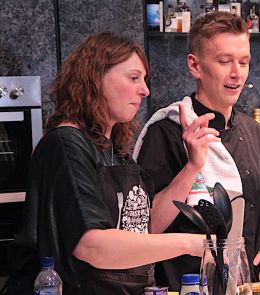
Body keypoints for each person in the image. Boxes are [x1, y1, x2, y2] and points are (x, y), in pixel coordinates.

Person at [4, 32, 205, 295]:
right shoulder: (66, 145)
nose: (145, 90)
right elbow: (91, 245)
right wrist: (191, 243)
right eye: (134, 78)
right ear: (95, 79)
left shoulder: (114, 150)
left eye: (144, 80)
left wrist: (192, 166)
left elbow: (143, 226)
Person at [134, 11, 260, 291]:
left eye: (244, 62)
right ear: (195, 65)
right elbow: (147, 225)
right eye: (224, 61)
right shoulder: (166, 132)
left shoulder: (254, 132)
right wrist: (191, 167)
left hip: (243, 285)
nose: (236, 73)